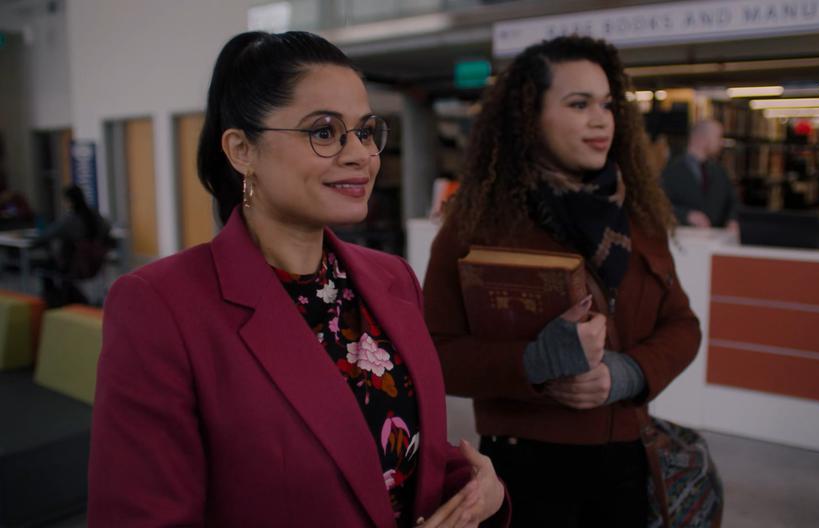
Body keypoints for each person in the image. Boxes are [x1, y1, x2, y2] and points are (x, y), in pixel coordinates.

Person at [88, 31, 507, 528]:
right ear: (242, 149)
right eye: (325, 132)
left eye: (366, 130)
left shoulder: (391, 278)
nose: (360, 155)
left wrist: (479, 490)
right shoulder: (161, 307)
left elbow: (401, 450)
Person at [423, 36, 701, 527]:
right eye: (579, 104)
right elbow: (435, 354)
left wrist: (628, 374)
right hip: (525, 471)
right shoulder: (476, 225)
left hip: (625, 462)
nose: (601, 119)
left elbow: (682, 325)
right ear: (530, 117)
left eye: (607, 105)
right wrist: (533, 362)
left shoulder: (638, 215)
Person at [34, 185, 111, 306]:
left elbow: (46, 236)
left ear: (69, 201)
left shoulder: (69, 220)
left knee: (44, 266)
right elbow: (107, 230)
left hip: (75, 266)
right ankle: (67, 294)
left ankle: (53, 300)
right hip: (95, 263)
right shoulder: (95, 215)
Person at [661, 119, 740, 229]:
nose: (721, 142)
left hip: (717, 239)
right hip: (686, 238)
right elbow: (659, 206)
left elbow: (732, 203)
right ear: (702, 138)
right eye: (718, 137)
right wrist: (686, 215)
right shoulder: (671, 171)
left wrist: (733, 219)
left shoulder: (720, 172)